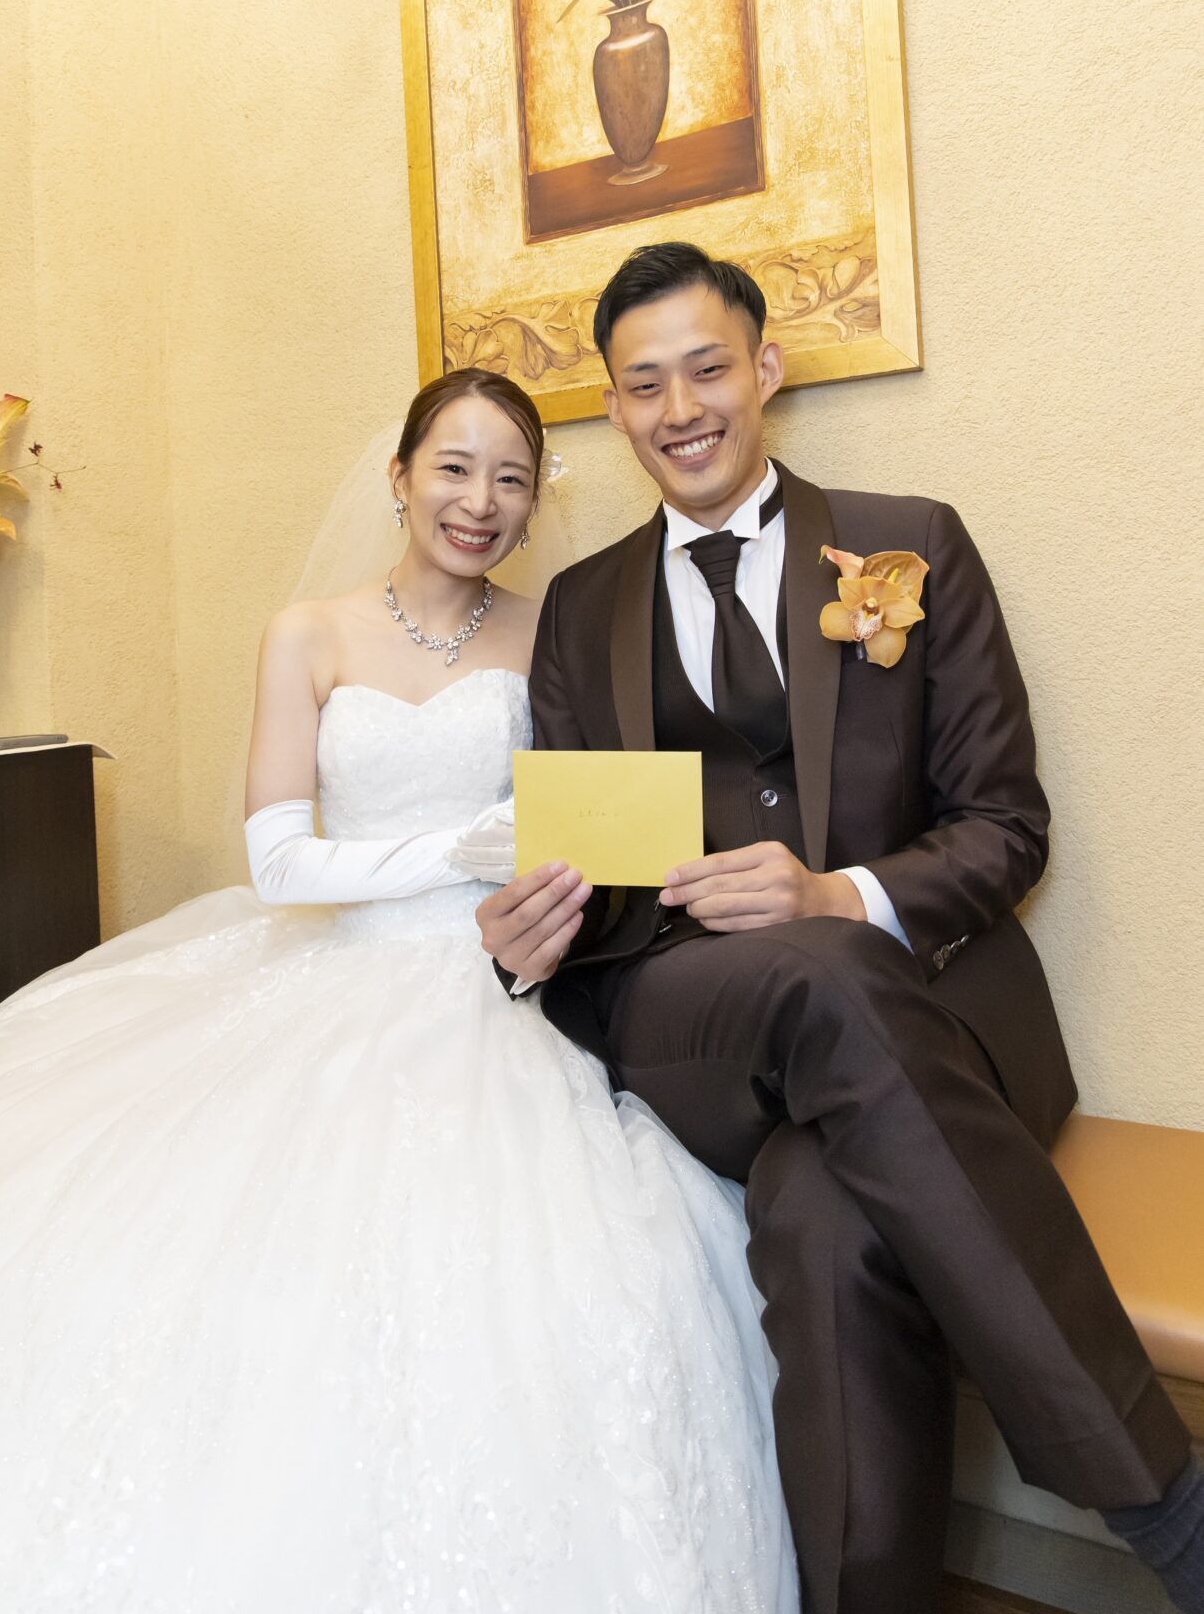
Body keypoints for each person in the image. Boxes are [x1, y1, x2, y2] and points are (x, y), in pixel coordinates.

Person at [0, 365, 798, 1614]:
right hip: (336, 959)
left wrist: (573, 878)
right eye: (453, 468)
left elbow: (605, 810)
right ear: (399, 476)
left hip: (502, 975)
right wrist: (467, 848)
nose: (479, 501)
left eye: (511, 478)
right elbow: (277, 861)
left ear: (537, 501)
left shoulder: (559, 628)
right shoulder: (307, 632)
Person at [478, 244, 1204, 1614]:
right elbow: (589, 863)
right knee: (809, 985)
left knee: (822, 1218)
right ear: (614, 408)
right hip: (691, 1010)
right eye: (643, 384)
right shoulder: (581, 608)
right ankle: (1168, 1507)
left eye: (706, 368)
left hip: (937, 1010)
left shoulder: (911, 541)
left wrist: (833, 895)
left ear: (765, 367)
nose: (680, 408)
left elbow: (1006, 826)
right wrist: (531, 931)